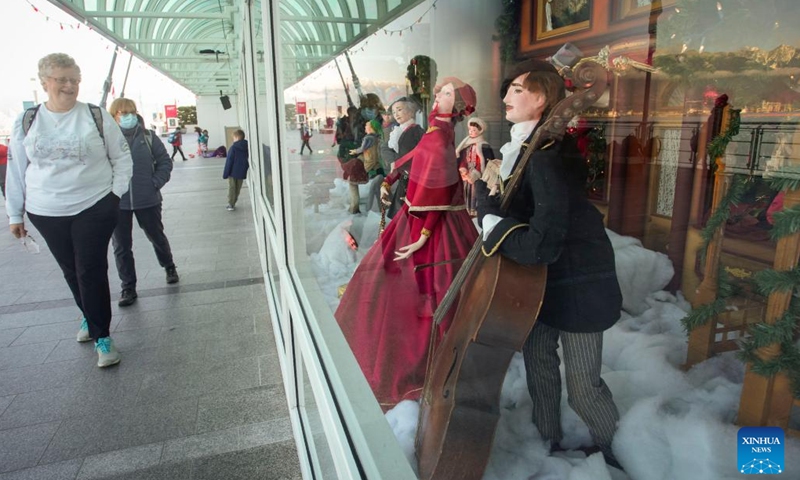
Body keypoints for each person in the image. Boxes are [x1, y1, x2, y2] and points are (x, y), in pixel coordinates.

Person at [474, 59, 623, 469]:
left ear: (541, 99)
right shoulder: (526, 147)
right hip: (539, 282)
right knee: (539, 362)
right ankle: (547, 442)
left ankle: (622, 456)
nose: (506, 97)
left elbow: (541, 243)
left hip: (578, 282)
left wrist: (489, 218)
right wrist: (487, 198)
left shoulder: (545, 156)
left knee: (583, 387)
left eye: (517, 90)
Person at [335, 77, 479, 411]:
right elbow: (415, 157)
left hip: (432, 220)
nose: (439, 97)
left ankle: (430, 361)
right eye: (440, 91)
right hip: (417, 213)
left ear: (457, 107)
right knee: (409, 286)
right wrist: (390, 176)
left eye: (447, 94)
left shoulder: (443, 135)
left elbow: (441, 188)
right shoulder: (434, 131)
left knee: (431, 287)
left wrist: (425, 234)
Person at [5, 53, 132, 368]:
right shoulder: (27, 121)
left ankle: (102, 335)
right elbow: (16, 170)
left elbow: (122, 158)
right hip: (45, 210)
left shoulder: (94, 115)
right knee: (70, 270)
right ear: (45, 82)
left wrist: (114, 196)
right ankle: (89, 316)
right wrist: (15, 214)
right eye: (62, 79)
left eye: (74, 79)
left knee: (90, 269)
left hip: (94, 204)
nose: (69, 85)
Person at [108, 99, 180, 307]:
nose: (128, 116)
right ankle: (128, 287)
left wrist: (155, 183)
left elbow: (165, 161)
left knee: (156, 235)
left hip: (147, 199)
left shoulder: (148, 137)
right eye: (123, 112)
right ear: (113, 116)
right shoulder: (106, 140)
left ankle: (169, 266)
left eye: (131, 112)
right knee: (121, 246)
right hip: (117, 203)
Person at [380, 97, 425, 218]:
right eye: (394, 112)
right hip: (406, 180)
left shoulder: (415, 132)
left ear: (410, 112)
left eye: (399, 110)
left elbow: (406, 162)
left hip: (413, 184)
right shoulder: (400, 131)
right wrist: (387, 182)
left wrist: (388, 181)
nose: (396, 114)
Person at [456, 116, 497, 216]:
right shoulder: (466, 143)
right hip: (466, 172)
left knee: (475, 192)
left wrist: (476, 173)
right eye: (469, 129)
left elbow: (486, 162)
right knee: (466, 191)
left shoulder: (484, 145)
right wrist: (463, 168)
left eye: (473, 130)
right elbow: (463, 158)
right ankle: (466, 209)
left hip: (477, 174)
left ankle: (475, 210)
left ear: (480, 131)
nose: (471, 132)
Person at [343, 118, 383, 214]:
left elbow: (362, 148)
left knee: (352, 182)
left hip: (367, 164)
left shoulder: (368, 138)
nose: (365, 126)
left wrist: (354, 151)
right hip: (375, 163)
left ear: (371, 127)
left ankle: (354, 207)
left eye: (367, 125)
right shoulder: (378, 137)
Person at [223, 129, 249, 211]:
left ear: (237, 137)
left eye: (233, 137)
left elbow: (229, 161)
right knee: (238, 188)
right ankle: (233, 202)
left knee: (232, 187)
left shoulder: (233, 147)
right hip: (242, 171)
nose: (233, 139)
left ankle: (231, 203)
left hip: (233, 171)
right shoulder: (247, 146)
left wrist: (225, 173)